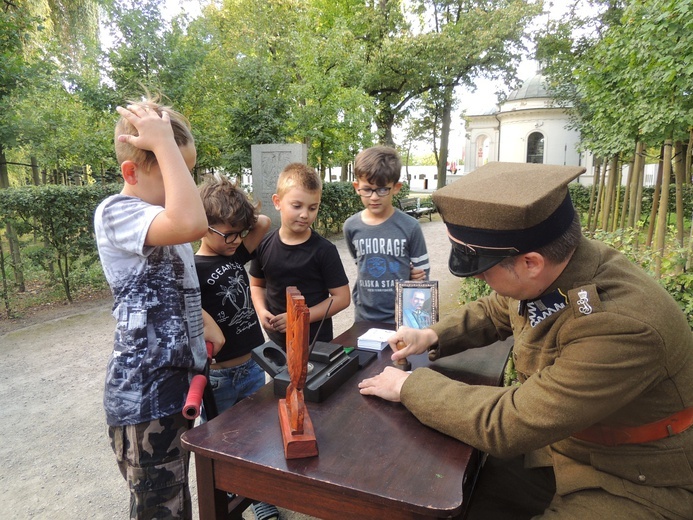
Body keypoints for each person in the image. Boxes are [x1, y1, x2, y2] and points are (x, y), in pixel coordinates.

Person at [359, 162, 693, 519]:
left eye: (484, 269)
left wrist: (410, 386)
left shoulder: (621, 326)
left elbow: (509, 422)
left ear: (530, 263)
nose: (484, 280)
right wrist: (432, 334)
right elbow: (500, 307)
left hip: (634, 479)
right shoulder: (562, 261)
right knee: (461, 501)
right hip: (563, 448)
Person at [94, 97, 224, 519]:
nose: (183, 185)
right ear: (131, 173)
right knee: (159, 511)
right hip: (144, 399)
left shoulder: (163, 222)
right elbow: (193, 223)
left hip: (178, 391)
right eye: (172, 173)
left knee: (177, 501)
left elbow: (167, 290)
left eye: (187, 173)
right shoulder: (118, 213)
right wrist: (165, 144)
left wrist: (203, 325)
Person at [194, 173, 280, 520]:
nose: (234, 241)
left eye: (238, 234)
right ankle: (231, 498)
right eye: (226, 233)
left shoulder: (230, 254)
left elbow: (263, 221)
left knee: (256, 434)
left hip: (250, 367)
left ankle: (258, 495)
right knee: (225, 443)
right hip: (219, 378)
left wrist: (236, 223)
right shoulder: (191, 270)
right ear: (201, 226)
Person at [249, 163, 350, 349]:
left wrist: (300, 318)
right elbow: (256, 284)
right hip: (278, 343)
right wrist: (261, 311)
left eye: (313, 208)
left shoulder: (324, 250)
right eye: (297, 206)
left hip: (316, 343)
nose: (305, 215)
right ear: (277, 202)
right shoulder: (263, 245)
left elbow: (342, 298)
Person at [344, 145, 430, 324]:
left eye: (383, 189)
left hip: (403, 319)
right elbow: (360, 263)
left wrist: (414, 277)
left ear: (396, 187)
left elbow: (423, 277)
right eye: (367, 189)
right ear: (356, 187)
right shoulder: (351, 227)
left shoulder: (410, 226)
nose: (374, 197)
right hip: (364, 318)